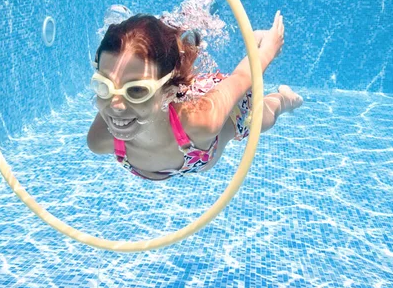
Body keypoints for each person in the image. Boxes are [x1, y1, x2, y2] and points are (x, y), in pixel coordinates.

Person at [87, 10, 303, 181]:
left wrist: (268, 49)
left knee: (264, 118)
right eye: (103, 86)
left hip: (225, 110)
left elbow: (241, 77)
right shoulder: (100, 139)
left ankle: (285, 99)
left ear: (169, 92)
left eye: (136, 90)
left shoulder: (203, 121)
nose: (115, 106)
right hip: (171, 97)